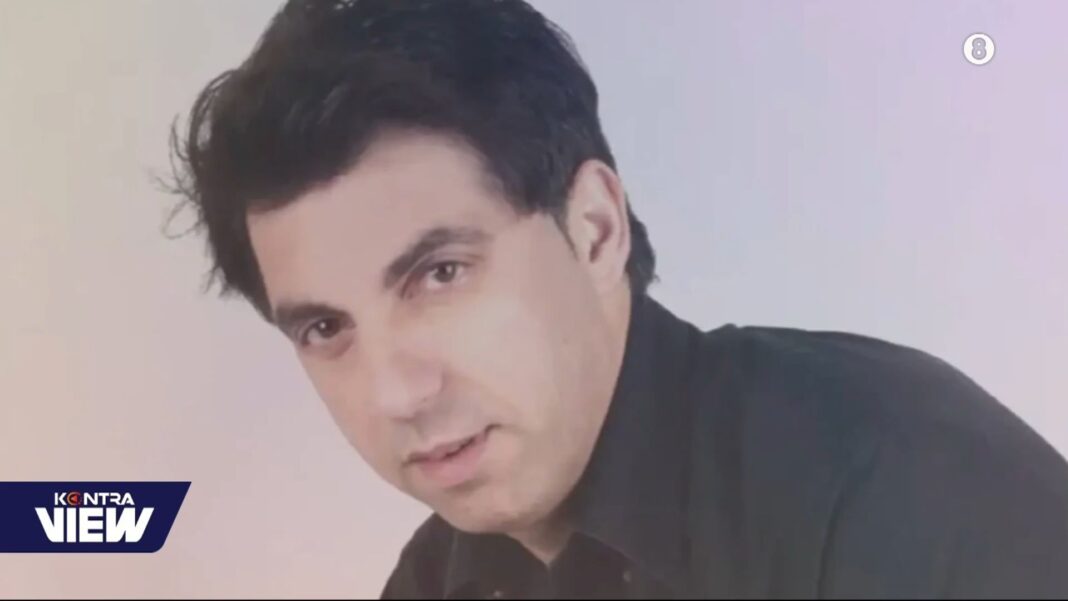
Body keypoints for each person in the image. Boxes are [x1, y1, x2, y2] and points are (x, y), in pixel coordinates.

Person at [170, 0, 1068, 597]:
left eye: (439, 274)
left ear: (596, 228)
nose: (395, 391)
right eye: (326, 327)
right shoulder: (441, 580)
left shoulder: (898, 488)